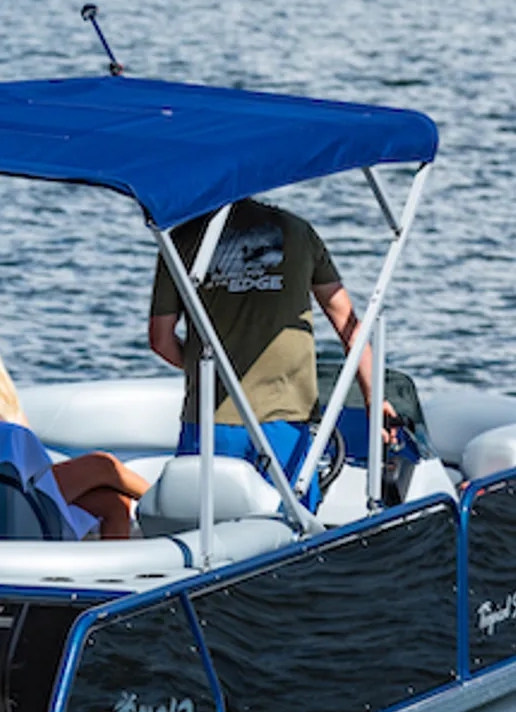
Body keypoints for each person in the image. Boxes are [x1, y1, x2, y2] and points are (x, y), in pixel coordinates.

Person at [147, 199, 395, 509]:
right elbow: (350, 326)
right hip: (286, 419)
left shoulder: (180, 240)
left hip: (212, 417)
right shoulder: (298, 231)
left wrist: (209, 369)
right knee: (290, 532)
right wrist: (374, 396)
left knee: (203, 529)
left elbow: (160, 339)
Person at [0, 282, 149, 539]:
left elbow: (23, 433)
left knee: (115, 504)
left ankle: (109, 575)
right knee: (103, 464)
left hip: (23, 473)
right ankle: (174, 508)